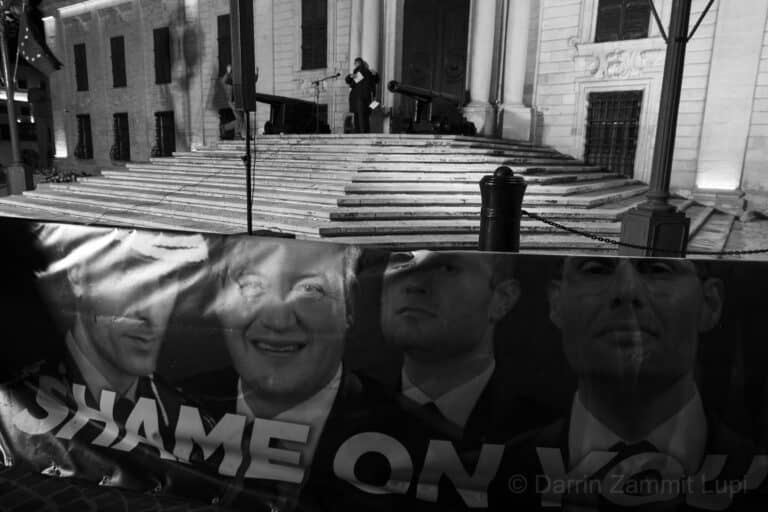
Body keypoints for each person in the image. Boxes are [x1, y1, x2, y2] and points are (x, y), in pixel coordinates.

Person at [489, 257, 758, 510]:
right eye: (596, 269)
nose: (627, 290)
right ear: (556, 302)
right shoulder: (495, 478)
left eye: (657, 269)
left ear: (710, 303)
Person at [377, 250, 553, 443]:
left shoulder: (547, 433)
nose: (413, 284)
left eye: (447, 268)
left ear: (502, 299)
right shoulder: (354, 409)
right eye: (402, 261)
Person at [345, 57, 377, 133]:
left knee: (360, 118)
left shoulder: (361, 72)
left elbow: (351, 84)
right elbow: (376, 81)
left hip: (359, 99)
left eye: (355, 64)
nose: (354, 65)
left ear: (359, 63)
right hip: (367, 98)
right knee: (364, 117)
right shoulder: (369, 73)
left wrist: (351, 76)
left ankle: (361, 133)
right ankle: (364, 132)